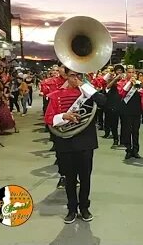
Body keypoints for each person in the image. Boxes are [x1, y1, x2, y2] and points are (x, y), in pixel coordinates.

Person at [44, 67, 106, 224]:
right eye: (72, 75)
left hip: (86, 141)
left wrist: (83, 85)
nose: (75, 79)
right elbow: (49, 118)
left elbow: (104, 102)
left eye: (79, 75)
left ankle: (84, 207)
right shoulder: (56, 95)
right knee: (70, 178)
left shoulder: (88, 92)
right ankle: (72, 209)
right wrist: (63, 116)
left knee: (85, 178)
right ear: (65, 75)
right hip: (65, 141)